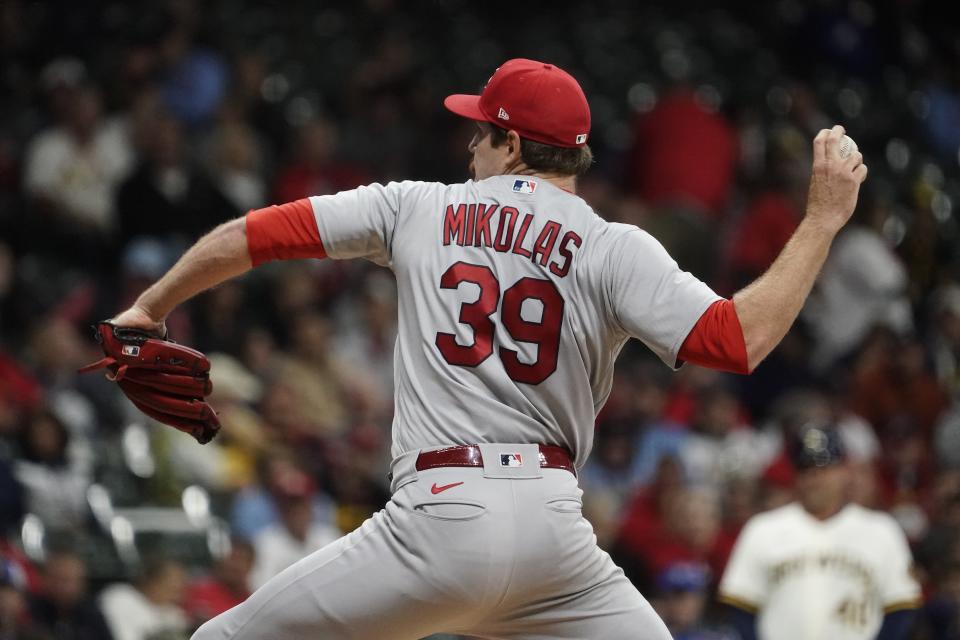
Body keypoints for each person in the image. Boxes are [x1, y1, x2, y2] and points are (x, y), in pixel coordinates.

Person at [106, 58, 867, 639]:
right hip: (553, 539)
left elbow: (258, 235)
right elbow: (741, 340)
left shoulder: (416, 206)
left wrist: (151, 304)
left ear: (511, 144)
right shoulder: (613, 246)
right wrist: (823, 221)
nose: (471, 144)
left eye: (481, 131)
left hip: (438, 521)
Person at [718, 424, 922, 640]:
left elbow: (900, 607)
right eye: (806, 469)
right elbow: (742, 608)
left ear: (844, 471)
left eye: (824, 468)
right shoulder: (762, 529)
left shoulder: (881, 530)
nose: (815, 479)